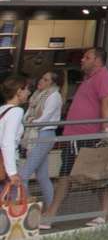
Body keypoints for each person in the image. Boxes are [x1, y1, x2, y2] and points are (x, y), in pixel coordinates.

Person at [45, 45, 108, 227]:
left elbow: (107, 102)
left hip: (88, 134)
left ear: (97, 60)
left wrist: (106, 131)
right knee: (80, 174)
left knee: (90, 174)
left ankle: (53, 213)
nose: (82, 60)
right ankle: (104, 213)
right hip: (77, 134)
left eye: (86, 57)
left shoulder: (104, 77)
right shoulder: (89, 78)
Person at [19, 70, 60, 225]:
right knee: (42, 176)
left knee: (24, 175)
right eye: (42, 78)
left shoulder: (54, 96)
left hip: (44, 134)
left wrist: (31, 120)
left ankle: (27, 213)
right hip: (36, 133)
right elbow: (27, 116)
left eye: (45, 79)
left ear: (53, 82)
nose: (41, 81)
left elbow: (44, 118)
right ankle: (49, 212)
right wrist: (32, 119)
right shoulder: (36, 95)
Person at [0, 76, 32, 210]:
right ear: (19, 91)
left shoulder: (2, 109)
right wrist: (12, 171)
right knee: (11, 200)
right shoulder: (16, 111)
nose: (29, 92)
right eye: (27, 89)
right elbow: (8, 141)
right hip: (6, 162)